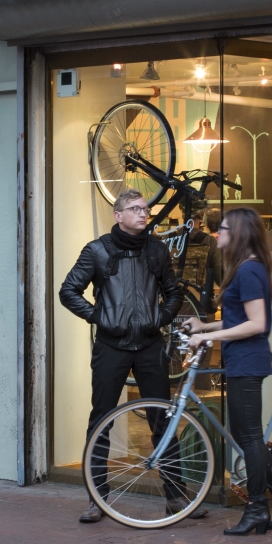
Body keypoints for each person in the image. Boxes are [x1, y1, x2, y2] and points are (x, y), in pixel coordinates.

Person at [59, 188, 189, 524]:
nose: (144, 214)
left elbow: (174, 292)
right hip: (110, 347)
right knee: (101, 419)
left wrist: (161, 318)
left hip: (149, 345)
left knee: (161, 418)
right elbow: (68, 290)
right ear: (118, 216)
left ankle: (176, 497)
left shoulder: (157, 250)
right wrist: (99, 317)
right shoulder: (98, 251)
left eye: (146, 209)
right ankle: (96, 498)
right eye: (135, 209)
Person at [184, 206, 272, 536]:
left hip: (248, 362)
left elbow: (257, 324)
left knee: (249, 437)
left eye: (222, 229)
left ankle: (256, 508)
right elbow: (239, 319)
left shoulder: (248, 271)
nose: (217, 234)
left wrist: (208, 336)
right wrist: (205, 325)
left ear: (237, 233)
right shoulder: (246, 269)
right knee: (246, 435)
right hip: (242, 360)